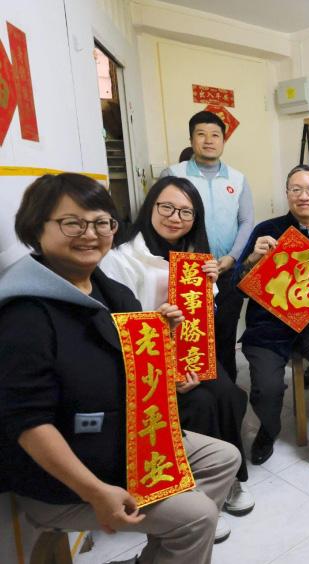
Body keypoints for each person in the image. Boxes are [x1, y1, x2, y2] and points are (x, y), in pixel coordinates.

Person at [0, 173, 240, 563]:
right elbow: (28, 425)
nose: (90, 234)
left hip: (129, 442)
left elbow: (135, 363)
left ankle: (162, 554)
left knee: (224, 457)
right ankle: (182, 534)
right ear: (36, 227)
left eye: (102, 223)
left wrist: (165, 351)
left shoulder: (110, 291)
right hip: (66, 480)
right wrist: (96, 492)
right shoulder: (24, 315)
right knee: (198, 516)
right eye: (72, 223)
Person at [100, 176, 255, 531]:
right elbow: (119, 326)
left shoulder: (194, 256)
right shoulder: (123, 258)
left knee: (228, 394)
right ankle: (196, 500)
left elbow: (203, 316)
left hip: (189, 354)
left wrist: (210, 282)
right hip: (143, 363)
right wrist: (165, 358)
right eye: (167, 207)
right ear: (150, 207)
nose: (175, 217)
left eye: (186, 212)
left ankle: (231, 480)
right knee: (199, 404)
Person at [236, 164, 309, 489]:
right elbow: (237, 285)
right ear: (287, 194)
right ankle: (269, 429)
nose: (304, 196)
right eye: (297, 189)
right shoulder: (266, 231)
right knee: (267, 388)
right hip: (269, 326)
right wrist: (252, 260)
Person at [162, 110, 254, 383]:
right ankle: (197, 394)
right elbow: (163, 219)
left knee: (225, 337)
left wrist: (232, 258)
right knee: (191, 339)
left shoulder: (237, 179)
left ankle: (228, 394)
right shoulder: (174, 175)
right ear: (191, 139)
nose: (208, 140)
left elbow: (246, 222)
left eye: (215, 135)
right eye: (201, 134)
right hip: (189, 274)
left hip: (227, 271)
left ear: (223, 141)